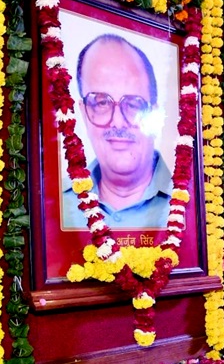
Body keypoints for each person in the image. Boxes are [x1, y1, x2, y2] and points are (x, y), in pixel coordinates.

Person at [61, 34, 172, 229]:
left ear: (154, 113)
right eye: (101, 102)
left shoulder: (194, 201)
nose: (118, 122)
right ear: (84, 113)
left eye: (134, 104)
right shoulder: (55, 204)